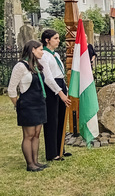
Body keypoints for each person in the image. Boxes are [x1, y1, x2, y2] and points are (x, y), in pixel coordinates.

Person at [8, 40, 48, 172]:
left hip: (39, 103)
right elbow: (11, 89)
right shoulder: (20, 67)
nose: (42, 52)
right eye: (40, 49)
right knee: (29, 135)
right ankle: (30, 163)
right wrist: (18, 105)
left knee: (37, 134)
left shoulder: (36, 65)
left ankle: (36, 161)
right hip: (28, 104)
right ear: (33, 50)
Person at [39, 29, 71, 161]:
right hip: (52, 88)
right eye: (56, 38)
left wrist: (65, 89)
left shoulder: (56, 55)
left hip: (60, 84)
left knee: (61, 118)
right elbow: (48, 78)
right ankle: (52, 153)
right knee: (52, 120)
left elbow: (59, 73)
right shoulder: (43, 55)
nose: (58, 41)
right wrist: (60, 93)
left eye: (58, 38)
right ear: (47, 40)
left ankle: (60, 148)